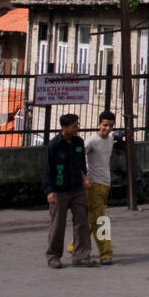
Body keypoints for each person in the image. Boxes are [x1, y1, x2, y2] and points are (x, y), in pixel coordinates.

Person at [43, 113, 95, 268]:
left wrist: (85, 178)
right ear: (64, 127)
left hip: (77, 189)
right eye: (74, 126)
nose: (76, 128)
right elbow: (47, 170)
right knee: (58, 225)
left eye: (77, 125)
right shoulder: (54, 145)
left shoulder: (79, 142)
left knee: (81, 222)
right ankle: (53, 256)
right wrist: (49, 191)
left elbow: (80, 164)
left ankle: (81, 256)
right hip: (59, 191)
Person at [85, 111, 117, 264]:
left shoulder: (110, 140)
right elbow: (79, 158)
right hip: (93, 184)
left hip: (105, 183)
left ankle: (75, 246)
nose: (107, 128)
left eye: (110, 126)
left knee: (92, 219)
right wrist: (84, 178)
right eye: (105, 125)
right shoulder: (91, 141)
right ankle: (106, 253)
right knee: (101, 219)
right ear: (99, 124)